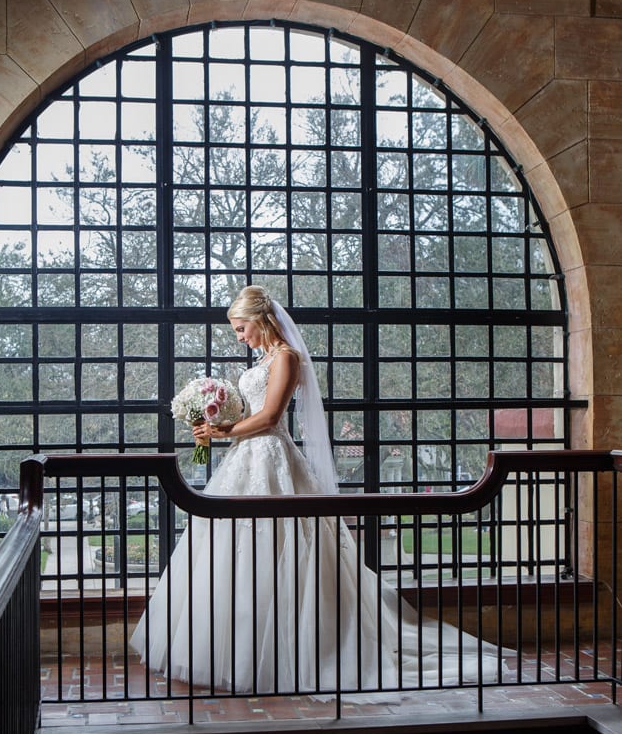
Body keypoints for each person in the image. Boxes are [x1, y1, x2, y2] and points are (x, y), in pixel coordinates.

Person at [130, 285, 506, 701]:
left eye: (241, 329)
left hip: (272, 459)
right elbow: (254, 412)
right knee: (228, 550)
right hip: (244, 458)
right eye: (236, 331)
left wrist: (221, 431)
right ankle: (229, 648)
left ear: (262, 320)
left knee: (283, 549)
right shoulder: (263, 359)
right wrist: (220, 416)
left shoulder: (287, 358)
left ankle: (300, 651)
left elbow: (272, 417)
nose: (239, 337)